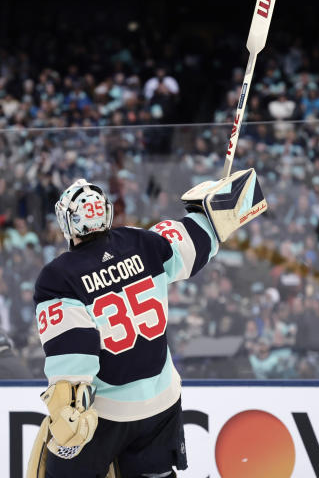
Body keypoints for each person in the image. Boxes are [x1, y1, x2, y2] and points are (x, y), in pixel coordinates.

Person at [29, 172, 266, 478]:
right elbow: (196, 240)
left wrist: (69, 408)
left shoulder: (58, 277)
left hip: (109, 412)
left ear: (67, 223)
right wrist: (210, 214)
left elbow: (75, 357)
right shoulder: (142, 241)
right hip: (162, 402)